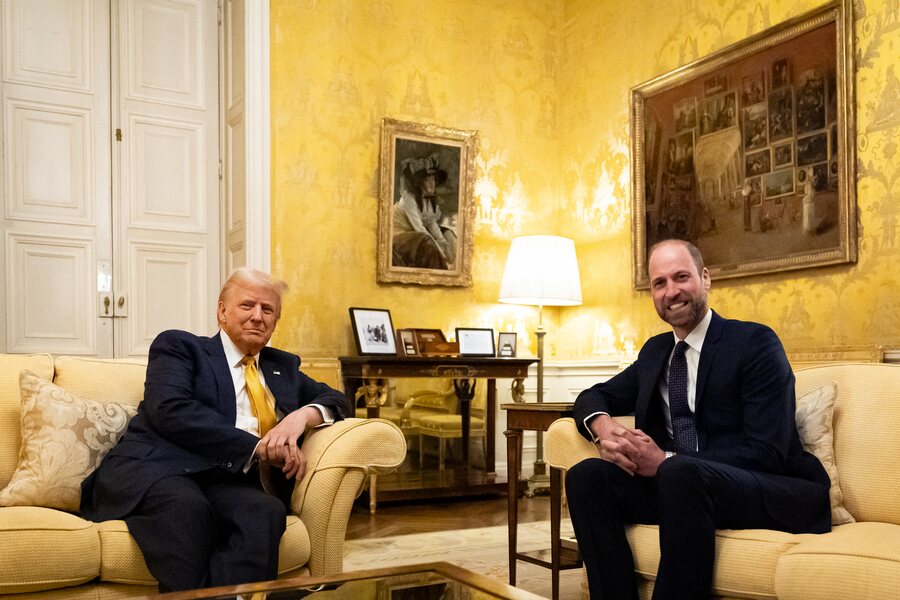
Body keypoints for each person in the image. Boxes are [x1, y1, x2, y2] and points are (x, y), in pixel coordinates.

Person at [566, 239, 830, 600]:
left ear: (705, 279)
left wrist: (665, 461)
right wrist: (602, 427)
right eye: (660, 283)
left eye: (681, 277)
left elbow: (769, 451)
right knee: (587, 475)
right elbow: (593, 396)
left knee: (679, 471)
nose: (671, 291)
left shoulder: (754, 343)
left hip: (764, 486)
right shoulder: (656, 351)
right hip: (683, 491)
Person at [80, 267, 349, 592]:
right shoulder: (181, 348)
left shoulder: (282, 368)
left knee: (265, 511)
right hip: (160, 471)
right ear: (222, 311)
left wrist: (302, 417)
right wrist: (258, 447)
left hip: (227, 481)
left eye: (268, 310)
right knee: (187, 510)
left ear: (276, 321)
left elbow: (336, 399)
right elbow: (170, 410)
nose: (257, 317)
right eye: (247, 305)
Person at [391, 152, 457, 269]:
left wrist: (443, 243)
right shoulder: (409, 200)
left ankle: (454, 267)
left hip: (415, 231)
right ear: (419, 182)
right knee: (427, 241)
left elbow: (431, 224)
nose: (432, 184)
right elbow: (420, 229)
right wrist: (441, 253)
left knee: (448, 234)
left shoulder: (427, 199)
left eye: (433, 179)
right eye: (427, 180)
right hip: (399, 236)